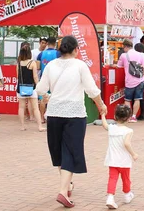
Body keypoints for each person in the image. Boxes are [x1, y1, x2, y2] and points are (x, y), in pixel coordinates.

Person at [36, 36, 107, 208]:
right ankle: (62, 191)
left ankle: (67, 186)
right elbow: (91, 90)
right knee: (71, 152)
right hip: (74, 116)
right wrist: (101, 105)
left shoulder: (51, 65)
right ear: (75, 49)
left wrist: (45, 98)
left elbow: (40, 89)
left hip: (53, 115)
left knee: (60, 152)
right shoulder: (80, 65)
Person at [101, 105, 138, 209]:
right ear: (129, 118)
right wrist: (133, 154)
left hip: (112, 160)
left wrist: (103, 115)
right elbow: (127, 144)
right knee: (126, 179)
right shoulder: (129, 131)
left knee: (112, 179)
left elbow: (104, 125)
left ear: (114, 116)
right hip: (124, 161)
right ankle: (127, 195)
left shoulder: (112, 128)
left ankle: (110, 197)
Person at [115, 39, 144, 123]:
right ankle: (134, 117)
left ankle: (128, 117)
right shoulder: (142, 55)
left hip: (129, 81)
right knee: (137, 99)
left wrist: (112, 64)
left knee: (127, 100)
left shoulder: (124, 55)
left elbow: (118, 66)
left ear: (125, 47)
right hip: (140, 79)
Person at [16, 44, 45, 132]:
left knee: (21, 107)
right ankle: (40, 126)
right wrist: (39, 86)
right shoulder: (32, 63)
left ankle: (22, 126)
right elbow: (35, 77)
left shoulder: (19, 63)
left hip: (21, 88)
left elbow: (17, 76)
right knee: (35, 108)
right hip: (32, 88)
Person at [39, 37, 60, 122]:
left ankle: (41, 118)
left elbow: (38, 67)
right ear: (55, 43)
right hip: (55, 79)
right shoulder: (58, 54)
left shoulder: (41, 54)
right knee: (54, 98)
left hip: (44, 78)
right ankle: (53, 117)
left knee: (43, 99)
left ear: (47, 43)